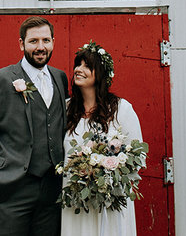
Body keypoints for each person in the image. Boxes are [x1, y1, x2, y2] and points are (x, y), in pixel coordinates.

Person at [0, 16, 71, 236]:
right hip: (9, 190)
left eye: (46, 40)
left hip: (51, 191)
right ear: (21, 44)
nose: (40, 47)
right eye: (33, 41)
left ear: (53, 42)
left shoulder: (60, 78)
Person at [61, 42, 143, 236]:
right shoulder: (66, 109)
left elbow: (138, 158)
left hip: (110, 201)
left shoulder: (121, 110)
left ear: (101, 74)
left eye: (87, 66)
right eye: (77, 64)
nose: (78, 70)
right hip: (75, 200)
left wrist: (105, 172)